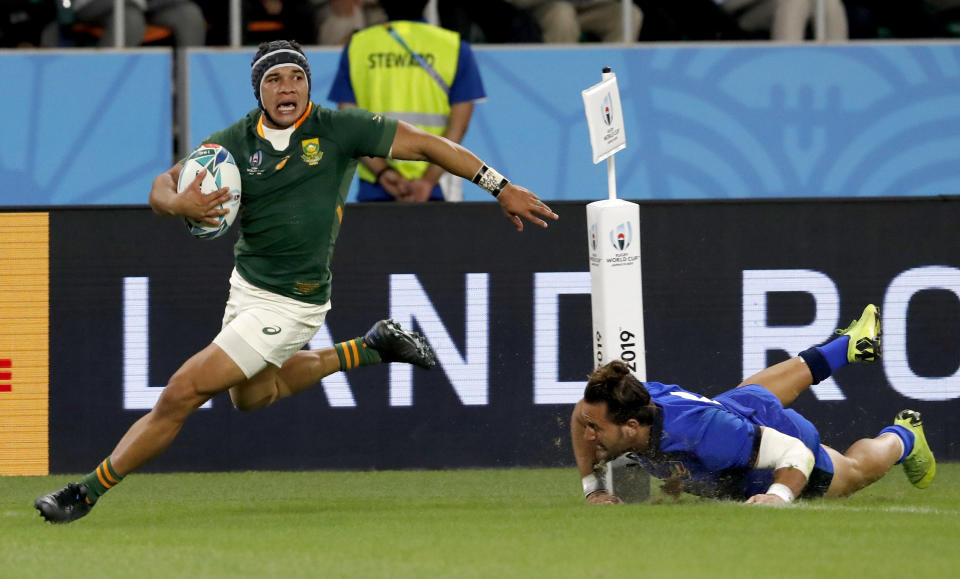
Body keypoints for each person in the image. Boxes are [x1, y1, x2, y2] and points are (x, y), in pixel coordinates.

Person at [34, 39, 558, 524]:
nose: (287, 88)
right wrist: (179, 202)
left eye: (295, 77)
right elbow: (161, 186)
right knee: (253, 398)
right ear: (259, 90)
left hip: (293, 302)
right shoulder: (232, 143)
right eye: (274, 80)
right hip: (247, 288)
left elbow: (426, 145)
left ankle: (86, 491)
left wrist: (499, 186)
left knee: (181, 393)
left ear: (308, 84)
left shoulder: (340, 128)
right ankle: (371, 347)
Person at [571, 304, 937, 505]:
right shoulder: (617, 399)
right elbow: (579, 414)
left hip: (783, 440)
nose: (588, 435)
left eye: (596, 429)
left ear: (631, 426)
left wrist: (778, 496)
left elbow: (795, 453)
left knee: (855, 472)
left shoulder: (704, 434)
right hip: (739, 408)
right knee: (736, 408)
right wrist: (594, 488)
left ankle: (903, 436)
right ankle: (844, 348)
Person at [327, 0, 486, 203]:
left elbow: (349, 124)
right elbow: (459, 127)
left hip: (377, 188)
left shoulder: (358, 46)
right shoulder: (455, 47)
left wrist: (383, 173)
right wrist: (427, 181)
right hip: (436, 188)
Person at [506, 0, 643, 43]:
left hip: (586, 5)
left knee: (628, 15)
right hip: (541, 6)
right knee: (562, 15)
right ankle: (563, 78)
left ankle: (612, 79)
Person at [717, 0, 848, 42]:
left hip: (784, 6)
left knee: (830, 3)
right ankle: (786, 65)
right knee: (795, 2)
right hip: (738, 15)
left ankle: (838, 66)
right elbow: (727, 5)